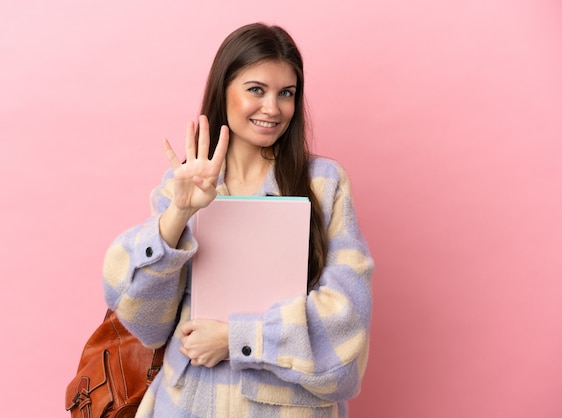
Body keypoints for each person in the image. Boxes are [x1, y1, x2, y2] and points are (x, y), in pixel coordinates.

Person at [102, 22, 374, 417]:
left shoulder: (324, 184)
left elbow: (347, 325)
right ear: (223, 90)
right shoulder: (184, 181)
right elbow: (144, 321)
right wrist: (180, 212)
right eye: (256, 90)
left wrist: (237, 339)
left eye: (286, 93)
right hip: (187, 405)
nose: (273, 108)